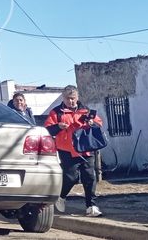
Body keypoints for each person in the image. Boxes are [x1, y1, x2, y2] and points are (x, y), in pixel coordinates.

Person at [45, 85, 104, 217]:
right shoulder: (56, 112)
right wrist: (58, 127)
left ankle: (91, 206)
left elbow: (99, 123)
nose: (71, 101)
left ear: (77, 98)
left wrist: (91, 123)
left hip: (86, 149)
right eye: (68, 98)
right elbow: (48, 129)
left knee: (89, 177)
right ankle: (61, 196)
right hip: (67, 149)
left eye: (73, 98)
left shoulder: (85, 110)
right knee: (70, 177)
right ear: (63, 98)